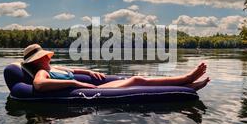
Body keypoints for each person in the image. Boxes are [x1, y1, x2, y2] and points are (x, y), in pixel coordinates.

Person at [22, 44, 210, 92]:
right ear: (40, 60)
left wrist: (86, 72)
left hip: (88, 85)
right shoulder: (42, 72)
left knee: (138, 79)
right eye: (45, 56)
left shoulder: (55, 67)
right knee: (137, 80)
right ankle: (186, 79)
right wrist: (75, 83)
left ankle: (187, 85)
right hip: (90, 91)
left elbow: (73, 70)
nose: (48, 57)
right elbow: (38, 85)